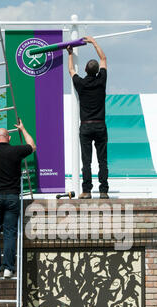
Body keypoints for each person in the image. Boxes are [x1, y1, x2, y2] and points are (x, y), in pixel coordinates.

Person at [0, 120, 36, 278]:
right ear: (8, 138)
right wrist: (23, 129)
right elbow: (32, 145)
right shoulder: (16, 151)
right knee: (10, 233)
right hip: (12, 198)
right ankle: (9, 268)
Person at [67, 36, 109, 199]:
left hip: (85, 126)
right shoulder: (102, 81)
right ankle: (104, 190)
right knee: (102, 160)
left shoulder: (81, 84)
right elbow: (103, 58)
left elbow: (71, 71)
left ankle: (87, 191)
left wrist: (70, 54)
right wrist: (93, 42)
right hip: (100, 125)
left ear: (85, 70)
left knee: (87, 161)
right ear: (98, 70)